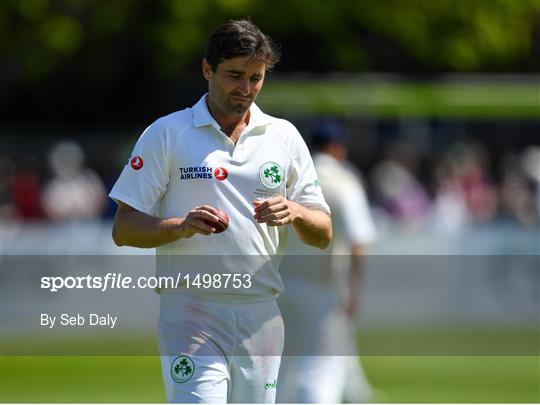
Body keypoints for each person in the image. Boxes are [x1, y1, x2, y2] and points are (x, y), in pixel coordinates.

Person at [109, 20, 332, 403]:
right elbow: (124, 228)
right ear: (207, 69)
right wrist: (181, 226)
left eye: (256, 78)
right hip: (191, 311)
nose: (245, 89)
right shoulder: (168, 132)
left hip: (260, 311)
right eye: (234, 75)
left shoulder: (283, 136)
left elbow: (323, 233)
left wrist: (294, 210)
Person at [277, 121, 376, 403]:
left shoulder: (291, 178)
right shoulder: (344, 182)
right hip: (321, 289)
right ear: (337, 148)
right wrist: (354, 292)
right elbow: (359, 242)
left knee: (278, 372)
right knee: (320, 370)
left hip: (279, 285)